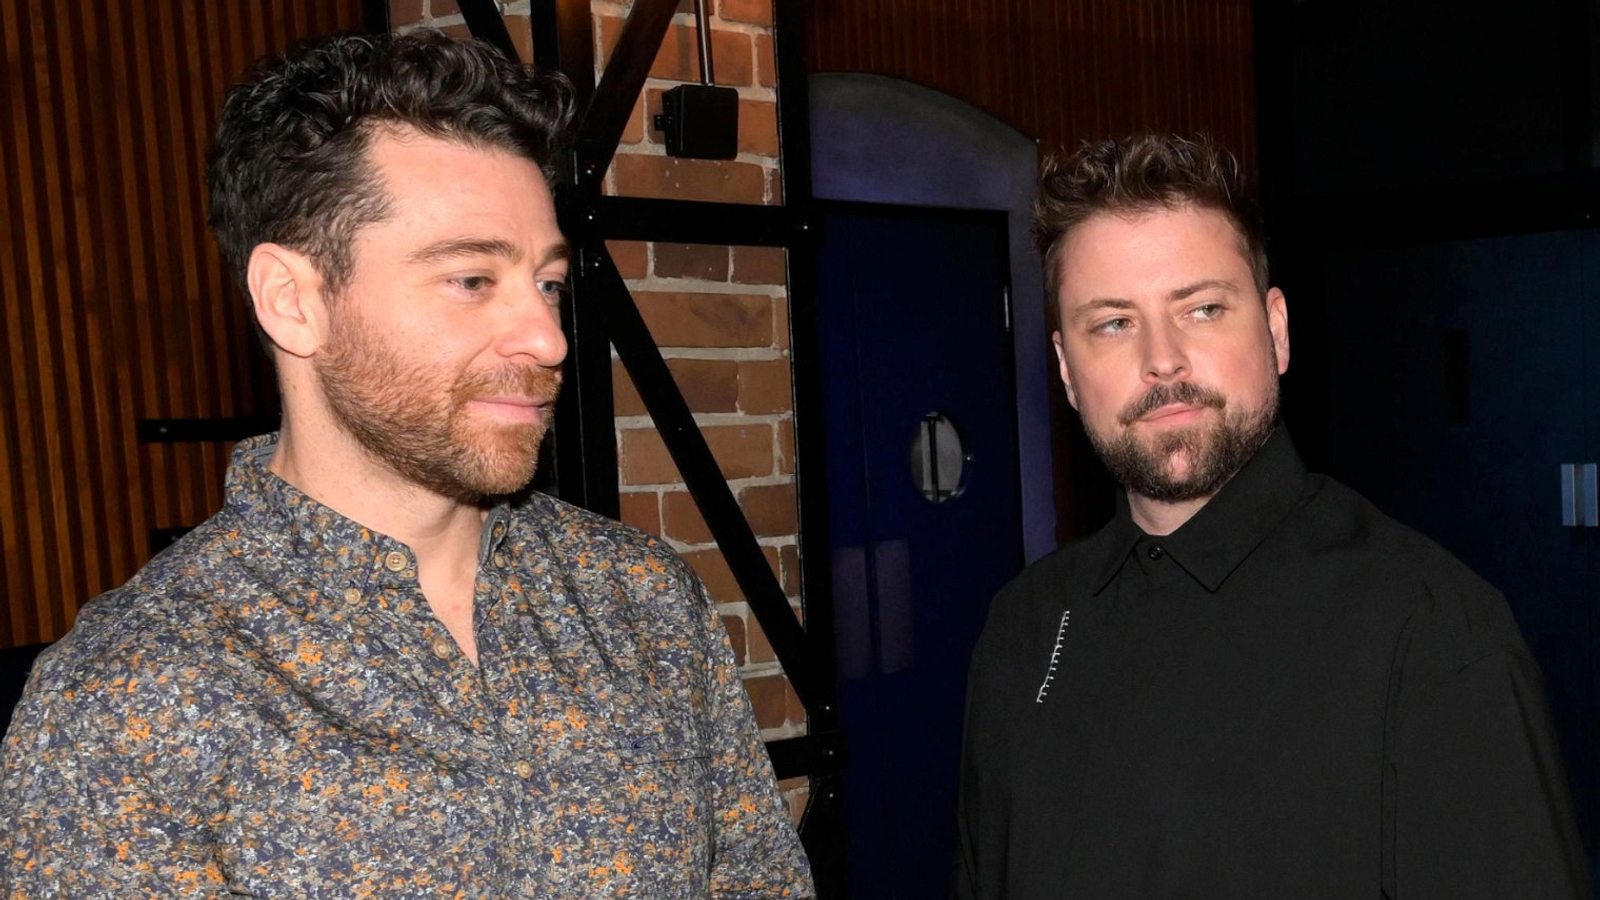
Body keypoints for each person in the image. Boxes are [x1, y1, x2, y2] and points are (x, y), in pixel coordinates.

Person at [0, 31, 812, 898]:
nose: (547, 338)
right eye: (472, 279)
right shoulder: (129, 695)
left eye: (547, 283)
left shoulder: (643, 601)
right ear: (293, 301)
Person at [954, 135, 1591, 899]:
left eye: (1203, 309)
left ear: (1276, 330)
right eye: (1114, 323)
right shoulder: (1021, 632)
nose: (1163, 359)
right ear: (1065, 369)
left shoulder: (1431, 635)